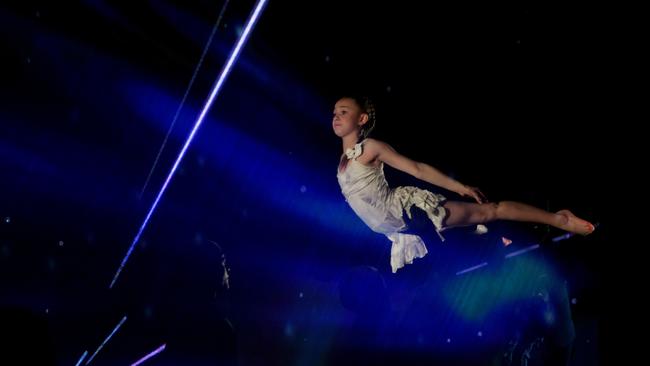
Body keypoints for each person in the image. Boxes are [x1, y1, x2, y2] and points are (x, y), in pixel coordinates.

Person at [333, 96, 595, 273]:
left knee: (490, 210)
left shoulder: (369, 148)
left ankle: (559, 220)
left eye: (344, 112)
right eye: (335, 113)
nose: (336, 116)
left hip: (410, 211)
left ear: (362, 119)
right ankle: (495, 238)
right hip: (399, 229)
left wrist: (458, 187)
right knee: (468, 243)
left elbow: (417, 169)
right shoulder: (343, 160)